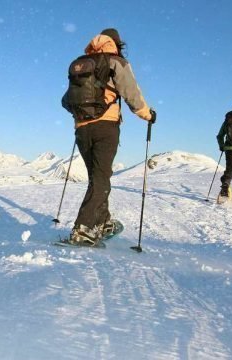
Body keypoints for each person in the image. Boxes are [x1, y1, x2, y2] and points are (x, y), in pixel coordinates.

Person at [61, 28, 155, 246]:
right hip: (105, 127)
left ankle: (103, 222)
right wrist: (148, 115)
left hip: (82, 130)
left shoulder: (79, 64)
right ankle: (83, 230)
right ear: (117, 43)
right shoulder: (115, 62)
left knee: (97, 178)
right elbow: (132, 94)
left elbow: (66, 101)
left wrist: (83, 115)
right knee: (101, 179)